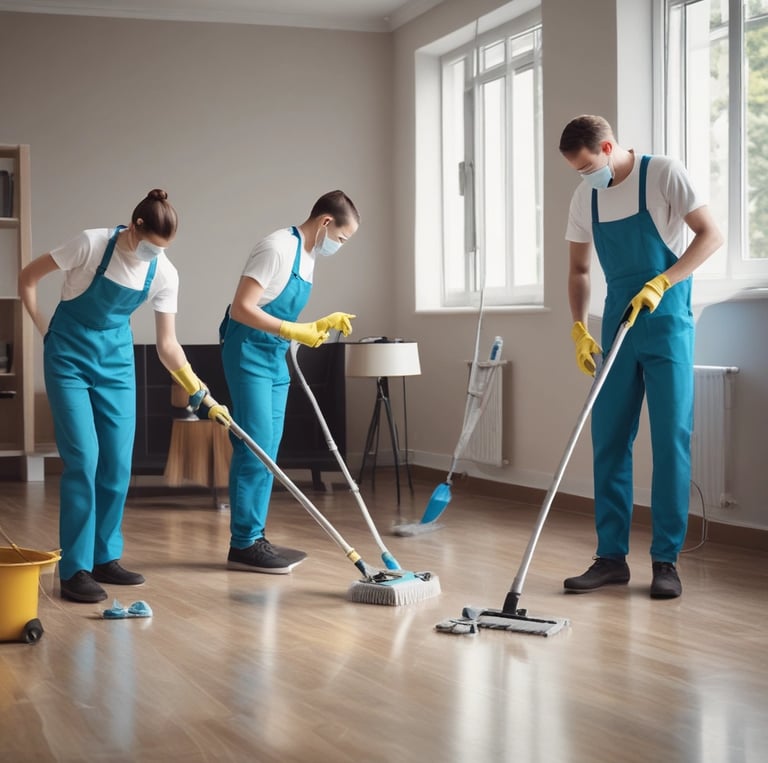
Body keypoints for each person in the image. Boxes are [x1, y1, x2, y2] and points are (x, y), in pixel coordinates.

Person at [19, 189, 229, 603]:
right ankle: (75, 569)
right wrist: (46, 330)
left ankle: (104, 557)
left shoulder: (163, 273)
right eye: (151, 245)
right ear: (135, 227)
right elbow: (28, 277)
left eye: (163, 249)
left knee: (117, 463)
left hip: (116, 362)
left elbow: (168, 345)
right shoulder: (91, 244)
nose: (155, 255)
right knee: (84, 459)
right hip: (68, 357)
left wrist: (199, 392)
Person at [559, 115, 723, 599]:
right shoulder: (585, 197)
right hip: (617, 327)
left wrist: (663, 282)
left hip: (667, 322)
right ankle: (610, 558)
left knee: (671, 440)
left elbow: (710, 235)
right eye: (577, 170)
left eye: (587, 166)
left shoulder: (663, 173)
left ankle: (666, 561)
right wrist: (578, 328)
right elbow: (578, 269)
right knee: (609, 439)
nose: (584, 176)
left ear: (608, 148)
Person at [219, 190, 359, 574]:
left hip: (274, 356)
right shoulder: (277, 248)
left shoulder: (309, 257)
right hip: (247, 352)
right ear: (326, 222)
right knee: (255, 445)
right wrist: (296, 331)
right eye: (342, 238)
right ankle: (243, 544)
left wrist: (319, 324)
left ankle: (254, 536)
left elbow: (278, 307)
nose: (340, 245)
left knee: (269, 447)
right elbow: (241, 308)